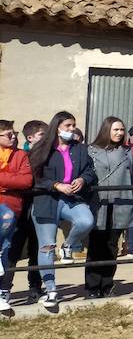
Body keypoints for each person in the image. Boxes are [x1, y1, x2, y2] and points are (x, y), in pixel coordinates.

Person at [26, 112, 97, 311]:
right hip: (46, 201)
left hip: (72, 199)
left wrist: (83, 179)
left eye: (73, 125)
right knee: (46, 247)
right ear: (57, 126)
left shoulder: (79, 148)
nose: (71, 129)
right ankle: (51, 290)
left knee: (86, 221)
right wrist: (56, 185)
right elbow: (34, 176)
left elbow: (90, 170)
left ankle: (68, 245)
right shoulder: (42, 149)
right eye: (67, 125)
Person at [85, 117, 133, 298]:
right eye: (116, 129)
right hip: (98, 204)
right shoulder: (91, 150)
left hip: (121, 204)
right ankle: (92, 287)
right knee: (96, 246)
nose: (120, 133)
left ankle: (107, 285)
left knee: (112, 246)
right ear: (106, 130)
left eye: (122, 130)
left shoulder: (127, 151)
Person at [0, 120, 34, 318]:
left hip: (11, 207)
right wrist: (9, 182)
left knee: (6, 250)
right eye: (8, 135)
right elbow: (15, 180)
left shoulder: (20, 155)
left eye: (14, 134)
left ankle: (2, 292)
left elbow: (25, 181)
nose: (14, 137)